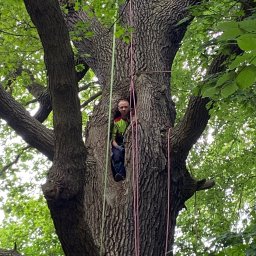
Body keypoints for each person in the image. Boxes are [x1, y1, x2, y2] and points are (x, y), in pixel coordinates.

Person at [111, 99, 130, 182]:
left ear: (129, 107)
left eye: (126, 107)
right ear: (118, 109)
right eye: (121, 107)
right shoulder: (116, 122)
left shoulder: (132, 118)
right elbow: (113, 140)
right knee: (117, 155)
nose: (124, 109)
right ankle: (121, 174)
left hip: (130, 143)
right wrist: (119, 148)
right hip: (119, 144)